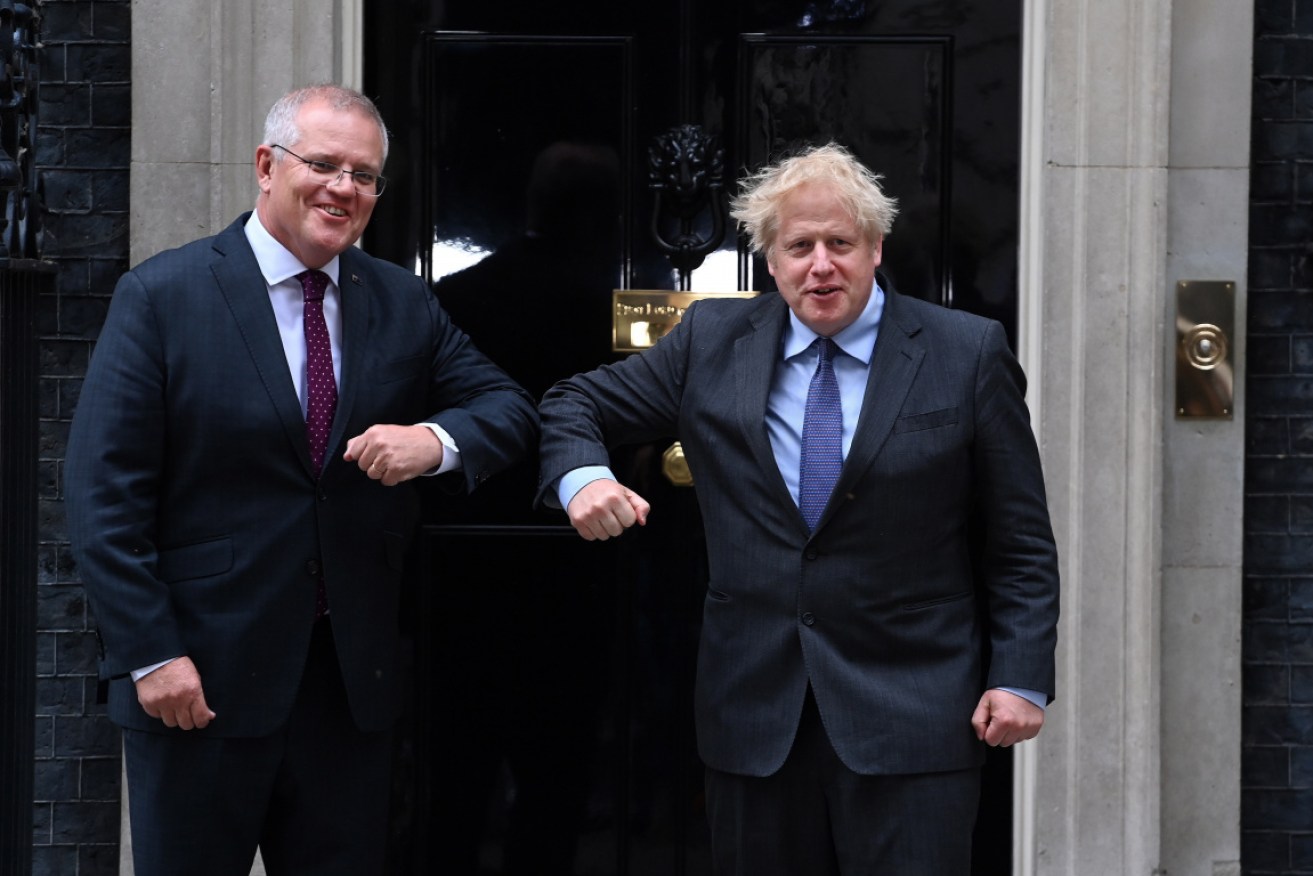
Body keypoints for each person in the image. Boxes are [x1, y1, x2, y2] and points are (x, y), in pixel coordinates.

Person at [536, 143, 1059, 874]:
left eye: (840, 243)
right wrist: (583, 477)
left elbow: (1020, 539)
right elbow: (573, 402)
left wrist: (1018, 675)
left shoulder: (964, 352)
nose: (821, 265)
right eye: (799, 246)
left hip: (914, 712)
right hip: (754, 714)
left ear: (875, 248)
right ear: (769, 259)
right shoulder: (710, 343)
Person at [64, 84, 538, 876]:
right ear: (264, 165)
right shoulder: (163, 296)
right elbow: (101, 493)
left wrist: (435, 438)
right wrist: (151, 655)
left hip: (344, 695)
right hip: (198, 684)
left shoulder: (400, 301)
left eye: (365, 175)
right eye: (323, 164)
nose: (343, 188)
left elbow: (508, 408)